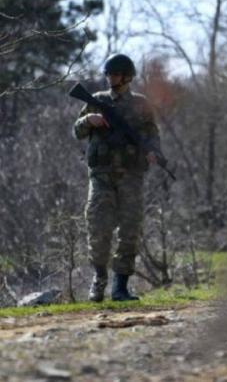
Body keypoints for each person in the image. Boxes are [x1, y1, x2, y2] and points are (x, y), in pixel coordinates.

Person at [73, 53, 161, 302]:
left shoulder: (141, 104)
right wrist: (88, 120)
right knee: (98, 229)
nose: (111, 78)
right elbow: (77, 131)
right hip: (101, 177)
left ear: (128, 76)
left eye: (116, 74)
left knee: (130, 230)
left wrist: (154, 152)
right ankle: (99, 279)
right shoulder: (97, 100)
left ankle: (120, 286)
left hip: (132, 176)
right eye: (109, 74)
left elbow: (153, 135)